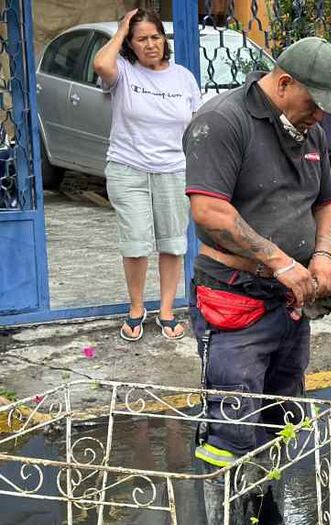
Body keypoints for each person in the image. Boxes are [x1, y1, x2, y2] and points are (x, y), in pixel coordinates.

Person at [182, 37, 331, 525]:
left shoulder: (308, 131)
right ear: (283, 83)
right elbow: (209, 212)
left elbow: (326, 203)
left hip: (290, 302)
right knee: (230, 425)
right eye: (315, 102)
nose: (321, 115)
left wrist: (323, 255)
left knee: (279, 419)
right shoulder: (222, 121)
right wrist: (279, 260)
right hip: (235, 296)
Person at [92, 8, 201, 341]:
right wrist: (121, 30)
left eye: (156, 37)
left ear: (164, 40)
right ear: (130, 44)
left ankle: (166, 311)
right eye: (141, 39)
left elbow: (196, 126)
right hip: (129, 170)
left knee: (173, 243)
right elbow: (101, 64)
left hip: (174, 170)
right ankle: (136, 308)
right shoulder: (123, 72)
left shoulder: (183, 77)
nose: (151, 44)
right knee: (136, 243)